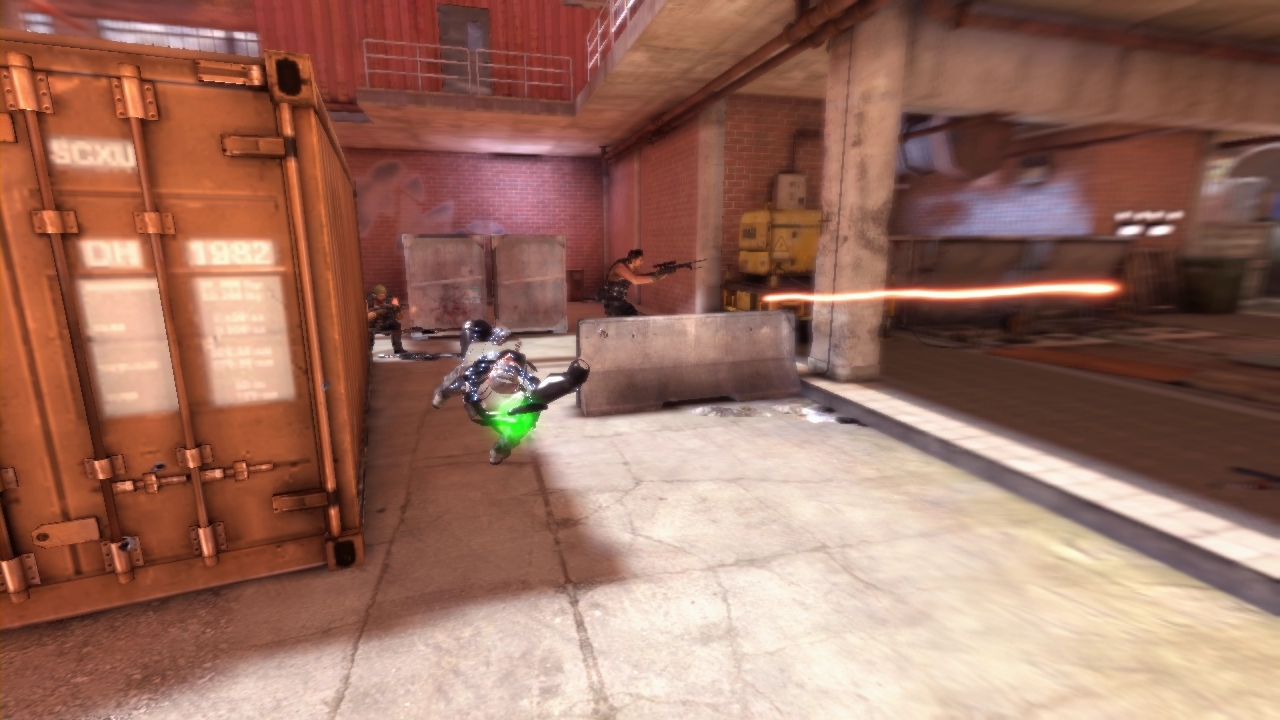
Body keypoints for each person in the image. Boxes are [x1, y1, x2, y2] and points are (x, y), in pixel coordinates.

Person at [431, 320, 590, 464]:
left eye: (510, 362)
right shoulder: (483, 371)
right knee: (463, 375)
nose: (507, 362)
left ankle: (500, 449)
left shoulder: (523, 384)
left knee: (526, 417)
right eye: (506, 360)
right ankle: (443, 395)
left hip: (504, 409)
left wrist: (573, 376)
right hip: (488, 402)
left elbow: (552, 387)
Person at [597, 249, 673, 317]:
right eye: (640, 260)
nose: (642, 262)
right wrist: (655, 277)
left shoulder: (632, 269)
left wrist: (662, 274)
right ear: (633, 260)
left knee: (644, 320)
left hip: (622, 305)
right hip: (613, 307)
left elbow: (643, 277)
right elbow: (635, 280)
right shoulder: (619, 267)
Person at [367, 284, 405, 354]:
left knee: (397, 324)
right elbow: (366, 318)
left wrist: (397, 310)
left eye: (384, 296)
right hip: (373, 326)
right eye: (380, 296)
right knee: (368, 331)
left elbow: (400, 318)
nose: (383, 298)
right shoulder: (369, 303)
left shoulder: (388, 302)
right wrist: (377, 313)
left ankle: (398, 349)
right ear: (374, 296)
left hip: (386, 324)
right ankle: (368, 351)